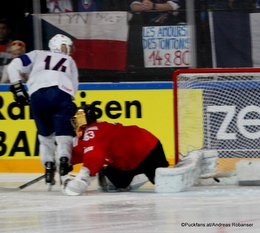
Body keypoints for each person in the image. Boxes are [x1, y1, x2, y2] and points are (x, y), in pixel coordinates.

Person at [7, 34, 79, 189]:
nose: (69, 50)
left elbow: (13, 66)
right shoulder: (70, 61)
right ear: (60, 46)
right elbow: (74, 86)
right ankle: (64, 163)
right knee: (64, 133)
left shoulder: (37, 54)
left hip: (37, 96)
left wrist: (18, 88)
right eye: (67, 46)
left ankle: (48, 166)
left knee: (45, 135)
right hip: (61, 93)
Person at [63, 104, 169, 196]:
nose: (75, 124)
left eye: (76, 120)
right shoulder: (93, 133)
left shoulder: (93, 131)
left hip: (147, 151)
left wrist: (81, 180)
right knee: (113, 182)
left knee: (166, 184)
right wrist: (64, 161)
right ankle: (141, 174)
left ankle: (146, 173)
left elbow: (94, 156)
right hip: (134, 156)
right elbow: (79, 152)